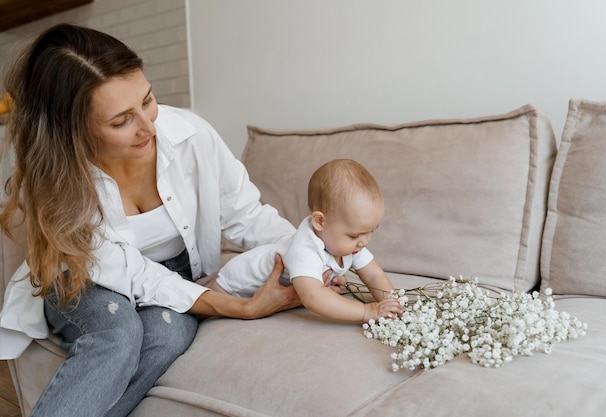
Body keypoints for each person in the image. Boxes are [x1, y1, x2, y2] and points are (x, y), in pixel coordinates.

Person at [0, 23, 335, 417]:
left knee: (167, 335)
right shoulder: (54, 178)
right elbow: (129, 271)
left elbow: (246, 215)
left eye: (147, 100)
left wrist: (309, 255)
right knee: (118, 334)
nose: (148, 126)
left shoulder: (192, 136)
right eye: (120, 120)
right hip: (83, 277)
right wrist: (239, 307)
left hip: (176, 272)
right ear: (73, 130)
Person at [209, 159, 403, 323]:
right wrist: (368, 312)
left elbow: (373, 275)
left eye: (370, 232)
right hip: (231, 284)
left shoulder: (352, 245)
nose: (364, 241)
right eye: (354, 236)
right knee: (200, 306)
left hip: (243, 282)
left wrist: (394, 305)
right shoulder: (304, 250)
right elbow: (313, 297)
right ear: (320, 222)